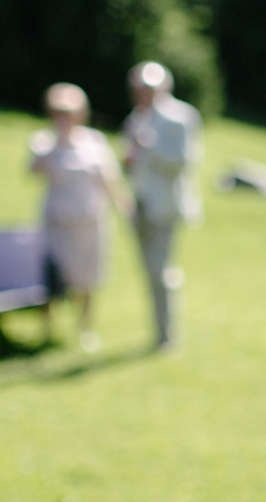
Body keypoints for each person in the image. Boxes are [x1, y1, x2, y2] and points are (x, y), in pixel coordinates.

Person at [27, 81, 126, 351]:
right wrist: (57, 143)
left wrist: (123, 207)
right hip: (57, 223)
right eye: (59, 112)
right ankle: (47, 329)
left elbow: (109, 180)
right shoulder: (44, 141)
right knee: (51, 277)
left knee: (87, 279)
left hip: (90, 222)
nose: (64, 117)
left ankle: (85, 328)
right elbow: (33, 171)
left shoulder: (95, 142)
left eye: (69, 112)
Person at [120, 60, 204, 350]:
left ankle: (167, 335)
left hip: (165, 205)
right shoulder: (135, 118)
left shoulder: (181, 117)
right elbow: (132, 161)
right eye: (138, 88)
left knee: (161, 270)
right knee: (149, 271)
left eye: (148, 88)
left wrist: (149, 148)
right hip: (140, 203)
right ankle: (158, 330)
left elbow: (184, 161)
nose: (143, 93)